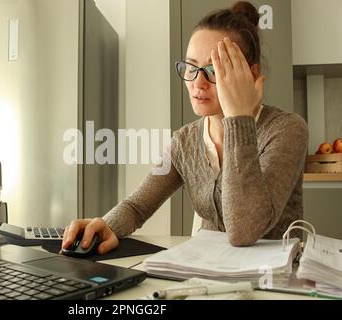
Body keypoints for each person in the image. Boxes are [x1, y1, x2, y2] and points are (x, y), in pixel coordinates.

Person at [62, 1, 308, 254]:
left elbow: (244, 230)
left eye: (213, 70)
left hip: (274, 281)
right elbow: (137, 206)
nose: (197, 83)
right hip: (210, 274)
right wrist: (106, 225)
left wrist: (238, 117)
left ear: (251, 73)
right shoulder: (184, 141)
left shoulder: (287, 129)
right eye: (191, 67)